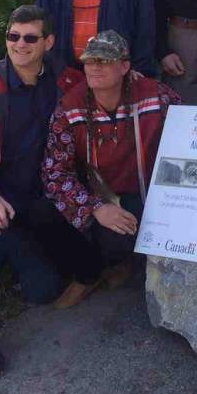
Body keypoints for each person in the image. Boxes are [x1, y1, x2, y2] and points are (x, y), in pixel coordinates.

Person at [0, 5, 100, 378]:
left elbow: (104, 92)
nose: (20, 44)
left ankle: (38, 266)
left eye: (30, 37)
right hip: (0, 202)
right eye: (13, 36)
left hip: (44, 203)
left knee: (44, 291)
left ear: (48, 42)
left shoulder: (64, 82)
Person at [42, 31, 179, 288]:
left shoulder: (156, 96)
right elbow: (55, 173)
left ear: (125, 66)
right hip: (103, 198)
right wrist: (96, 207)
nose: (94, 67)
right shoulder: (69, 108)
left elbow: (190, 136)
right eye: (90, 61)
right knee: (72, 227)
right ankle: (105, 267)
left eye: (104, 61)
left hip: (152, 194)